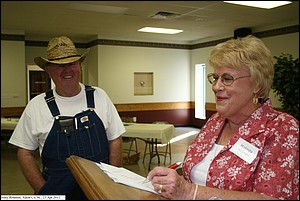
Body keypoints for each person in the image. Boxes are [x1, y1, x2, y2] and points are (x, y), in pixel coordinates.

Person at [147, 35, 299, 200]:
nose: (216, 87)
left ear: (257, 84)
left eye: (227, 79)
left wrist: (190, 192)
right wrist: (173, 182)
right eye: (215, 78)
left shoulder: (282, 128)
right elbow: (196, 178)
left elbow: (272, 198)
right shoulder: (215, 122)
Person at [9, 36, 125, 200]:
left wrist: (113, 181)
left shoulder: (100, 96)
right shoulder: (36, 106)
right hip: (56, 191)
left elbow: (115, 139)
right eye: (59, 66)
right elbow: (24, 152)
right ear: (48, 70)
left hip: (101, 188)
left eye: (71, 63)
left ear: (80, 66)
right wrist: (43, 191)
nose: (67, 70)